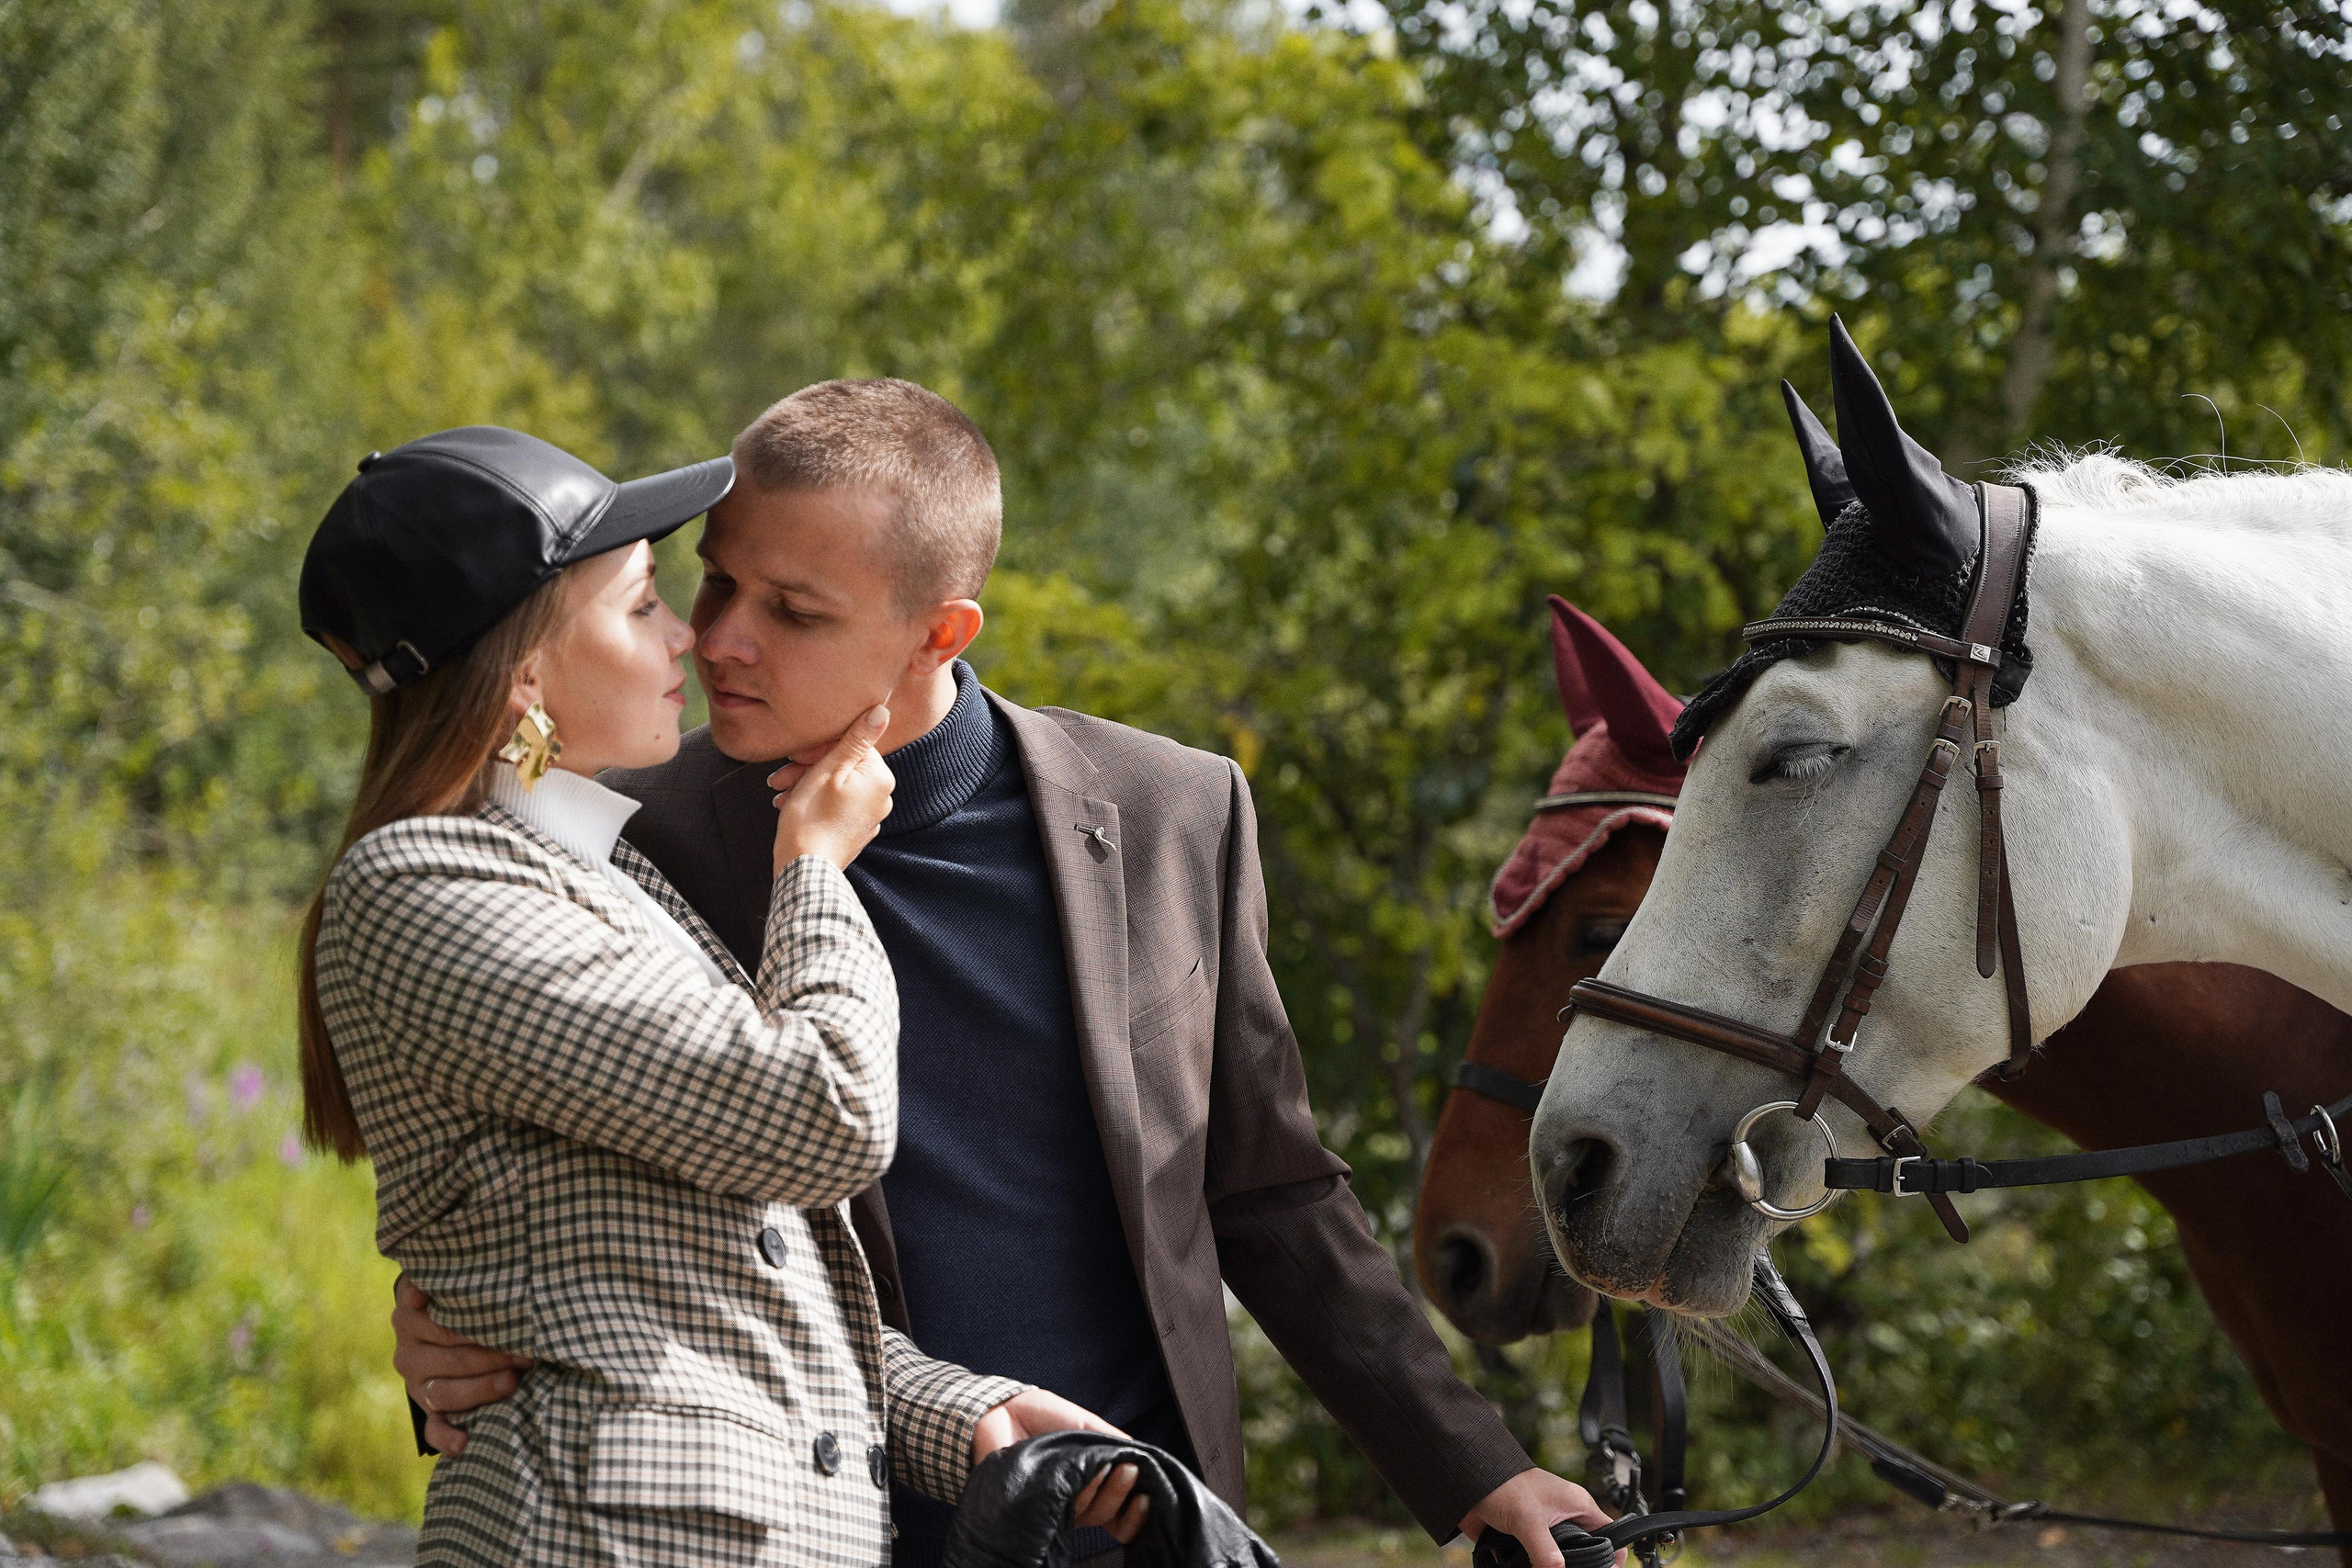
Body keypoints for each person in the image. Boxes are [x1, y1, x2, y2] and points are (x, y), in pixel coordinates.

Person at [391, 384, 1610, 1568]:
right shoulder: (622, 834)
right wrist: (449, 1331)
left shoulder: (1173, 809)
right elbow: (524, 1189)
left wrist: (1476, 1469)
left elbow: (1273, 1191)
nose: (717, 637)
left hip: (1136, 1522)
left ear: (943, 630)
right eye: (715, 578)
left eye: (796, 611)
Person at [296, 427, 1148, 1567]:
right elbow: (826, 1116)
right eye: (644, 602)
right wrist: (814, 868)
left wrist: (966, 1419)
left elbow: (702, 1281)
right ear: (527, 670)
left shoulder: (613, 877)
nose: (690, 638)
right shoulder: (423, 888)